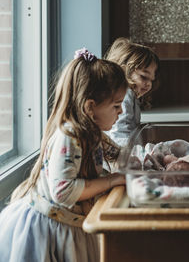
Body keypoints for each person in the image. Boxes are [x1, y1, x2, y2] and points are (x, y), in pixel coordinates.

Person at [0, 48, 128, 262]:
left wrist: (147, 159)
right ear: (90, 107)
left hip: (69, 224)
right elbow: (63, 191)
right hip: (47, 231)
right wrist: (111, 180)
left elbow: (117, 154)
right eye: (116, 106)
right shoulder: (70, 136)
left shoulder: (93, 131)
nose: (121, 112)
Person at [104, 37, 160, 147]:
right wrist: (133, 157)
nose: (149, 84)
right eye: (144, 77)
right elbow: (120, 133)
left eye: (151, 80)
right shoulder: (126, 95)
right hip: (121, 156)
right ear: (124, 70)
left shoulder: (130, 96)